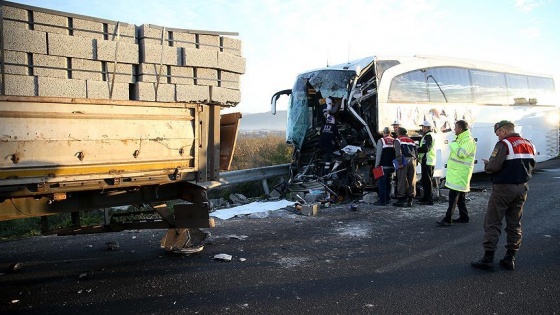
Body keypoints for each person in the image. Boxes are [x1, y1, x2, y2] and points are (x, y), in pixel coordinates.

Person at [471, 120, 536, 271]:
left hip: (503, 188)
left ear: (504, 131)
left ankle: (488, 259)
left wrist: (488, 164)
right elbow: (531, 166)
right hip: (522, 188)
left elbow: (494, 166)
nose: (497, 136)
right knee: (514, 223)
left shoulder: (504, 144)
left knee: (493, 222)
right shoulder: (529, 144)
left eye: (498, 133)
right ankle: (510, 258)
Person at [436, 120, 476, 226]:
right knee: (460, 197)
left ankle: (447, 219)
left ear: (460, 129)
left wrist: (453, 145)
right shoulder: (461, 139)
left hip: (460, 174)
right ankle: (464, 216)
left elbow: (461, 153)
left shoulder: (468, 140)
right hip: (457, 173)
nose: (454, 129)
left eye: (455, 127)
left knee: (453, 198)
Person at [392, 127, 418, 207]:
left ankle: (401, 198)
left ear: (399, 133)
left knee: (402, 179)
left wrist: (399, 162)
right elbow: (416, 152)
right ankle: (410, 198)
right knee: (412, 180)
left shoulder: (398, 140)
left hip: (404, 160)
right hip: (413, 160)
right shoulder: (412, 141)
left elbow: (398, 152)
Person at [373, 127, 396, 205]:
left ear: (383, 133)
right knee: (388, 183)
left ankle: (382, 201)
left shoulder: (381, 140)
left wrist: (376, 165)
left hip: (383, 166)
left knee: (382, 183)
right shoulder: (394, 140)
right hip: (391, 166)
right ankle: (388, 199)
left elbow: (378, 154)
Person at [417, 120, 436, 205]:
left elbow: (425, 148)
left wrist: (416, 149)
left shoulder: (428, 136)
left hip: (427, 160)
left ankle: (429, 199)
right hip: (428, 160)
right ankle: (425, 197)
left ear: (427, 127)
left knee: (427, 181)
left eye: (423, 127)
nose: (422, 129)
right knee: (425, 180)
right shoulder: (429, 135)